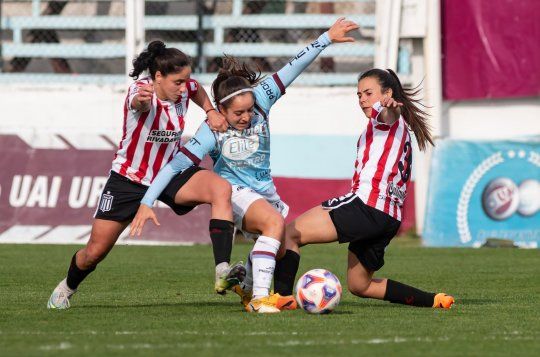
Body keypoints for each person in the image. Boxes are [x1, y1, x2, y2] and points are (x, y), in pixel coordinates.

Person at [129, 18, 360, 313]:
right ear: (220, 109)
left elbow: (292, 67)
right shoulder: (212, 129)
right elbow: (175, 166)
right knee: (273, 224)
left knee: (285, 239)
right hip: (236, 193)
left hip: (265, 192)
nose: (247, 117)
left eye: (250, 110)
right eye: (238, 113)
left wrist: (326, 38)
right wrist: (148, 200)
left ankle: (249, 287)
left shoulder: (262, 98)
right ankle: (261, 299)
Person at [47, 40, 243, 310]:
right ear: (158, 77)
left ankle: (222, 269)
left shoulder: (185, 89)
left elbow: (197, 90)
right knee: (93, 253)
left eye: (186, 80)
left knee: (220, 189)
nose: (184, 87)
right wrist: (141, 101)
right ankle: (67, 287)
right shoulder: (141, 91)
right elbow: (137, 101)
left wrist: (210, 111)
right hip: (129, 180)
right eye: (178, 82)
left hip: (172, 172)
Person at [273, 68, 455, 309]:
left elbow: (388, 114)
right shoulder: (400, 129)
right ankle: (434, 300)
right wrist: (392, 108)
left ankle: (281, 298)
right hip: (388, 219)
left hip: (367, 206)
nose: (362, 100)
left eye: (369, 93)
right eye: (359, 95)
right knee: (360, 285)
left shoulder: (386, 119)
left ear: (387, 93)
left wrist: (391, 107)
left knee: (289, 234)